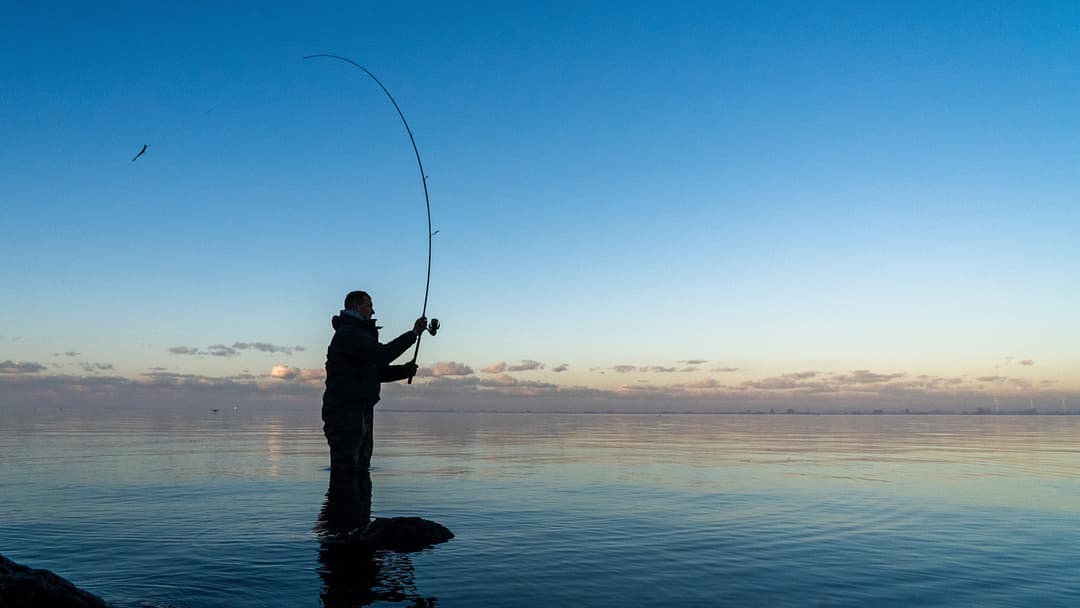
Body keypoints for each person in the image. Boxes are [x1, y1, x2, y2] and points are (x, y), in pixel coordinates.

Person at [322, 290, 427, 479]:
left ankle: (358, 509)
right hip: (345, 411)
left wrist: (404, 371)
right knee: (346, 470)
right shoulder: (350, 333)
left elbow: (375, 372)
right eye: (369, 305)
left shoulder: (359, 334)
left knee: (360, 469)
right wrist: (413, 334)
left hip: (359, 409)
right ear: (355, 306)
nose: (373, 311)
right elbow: (383, 354)